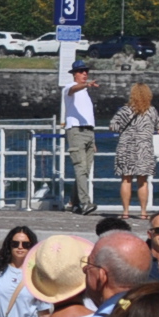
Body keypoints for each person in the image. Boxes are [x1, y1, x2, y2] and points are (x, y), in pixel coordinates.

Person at [110, 83, 159, 221]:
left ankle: (125, 212)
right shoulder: (152, 111)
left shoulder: (125, 110)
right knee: (142, 181)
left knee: (126, 179)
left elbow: (113, 126)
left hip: (126, 147)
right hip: (144, 148)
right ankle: (143, 212)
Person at [63, 59, 100, 214]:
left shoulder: (85, 93)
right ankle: (85, 203)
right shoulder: (69, 88)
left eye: (86, 72)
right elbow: (73, 90)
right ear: (74, 74)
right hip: (76, 131)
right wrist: (87, 84)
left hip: (88, 132)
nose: (84, 74)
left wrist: (93, 140)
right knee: (80, 168)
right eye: (81, 72)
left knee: (84, 169)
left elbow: (88, 116)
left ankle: (73, 202)